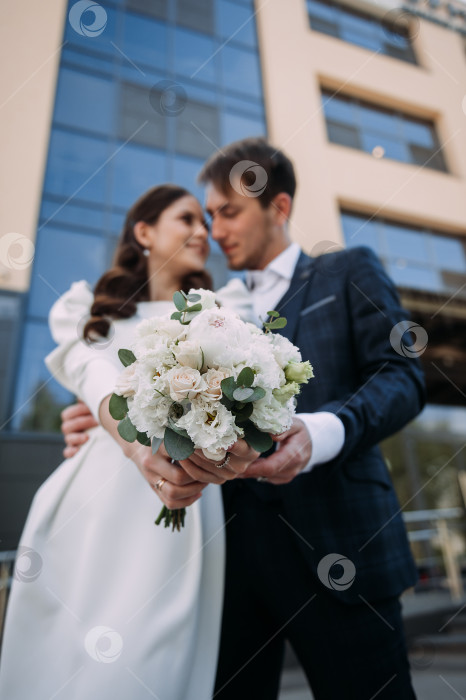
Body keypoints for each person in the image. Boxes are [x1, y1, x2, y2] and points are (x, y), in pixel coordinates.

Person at [59, 139, 426, 699]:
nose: (215, 228)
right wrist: (107, 423)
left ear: (278, 208)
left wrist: (321, 435)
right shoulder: (208, 305)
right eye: (207, 215)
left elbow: (402, 377)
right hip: (222, 569)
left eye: (228, 212)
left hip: (339, 546)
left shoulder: (346, 271)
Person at [0, 184, 258, 700]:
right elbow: (90, 371)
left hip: (180, 506)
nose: (202, 232)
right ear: (144, 231)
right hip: (91, 501)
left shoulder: (225, 311)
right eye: (187, 219)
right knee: (60, 663)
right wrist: (132, 441)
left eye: (205, 223)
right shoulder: (90, 313)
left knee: (143, 667)